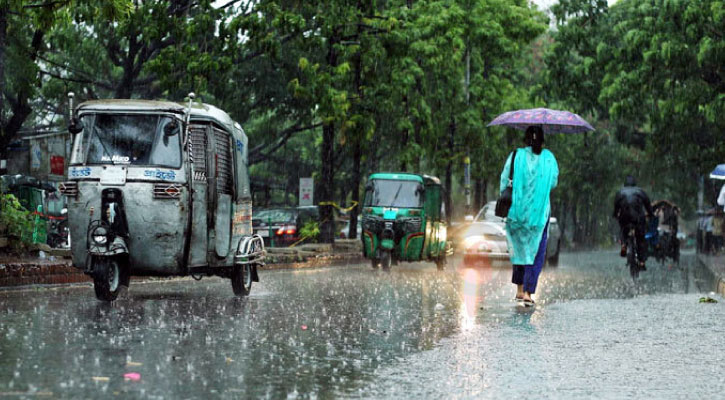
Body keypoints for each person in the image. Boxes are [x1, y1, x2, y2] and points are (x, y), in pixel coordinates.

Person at [499, 125, 558, 307]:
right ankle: (528, 292)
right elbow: (554, 182)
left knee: (520, 248)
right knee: (536, 252)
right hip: (539, 215)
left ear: (525, 139)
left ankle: (518, 289)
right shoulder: (549, 158)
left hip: (517, 213)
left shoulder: (516, 155)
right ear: (542, 140)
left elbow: (504, 181)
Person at [613, 176, 653, 269]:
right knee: (641, 238)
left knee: (623, 229)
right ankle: (642, 261)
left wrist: (615, 215)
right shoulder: (640, 191)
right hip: (638, 217)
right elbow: (648, 204)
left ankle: (623, 245)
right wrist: (651, 214)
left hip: (624, 217)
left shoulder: (620, 192)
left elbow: (616, 207)